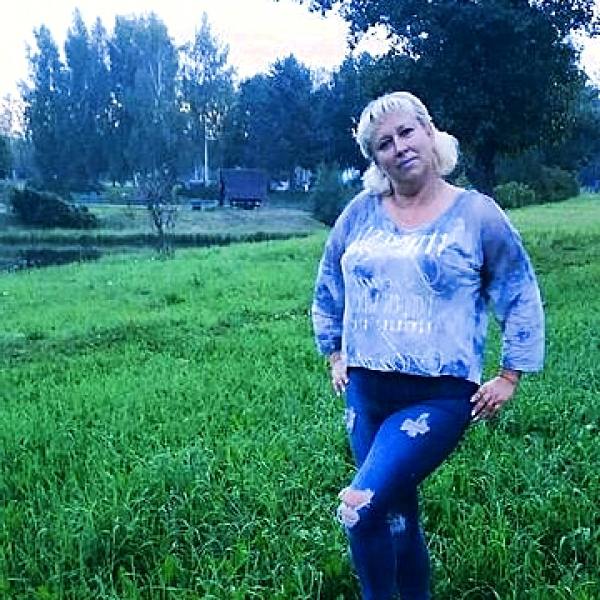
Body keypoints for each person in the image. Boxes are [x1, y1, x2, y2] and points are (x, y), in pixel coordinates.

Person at [311, 91, 545, 600]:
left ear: (429, 131)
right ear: (376, 159)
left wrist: (510, 374)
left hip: (438, 396)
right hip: (366, 393)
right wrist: (334, 351)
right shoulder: (359, 213)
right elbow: (329, 282)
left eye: (406, 132)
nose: (398, 147)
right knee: (396, 513)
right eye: (383, 143)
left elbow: (519, 290)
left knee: (360, 506)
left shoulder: (476, 214)